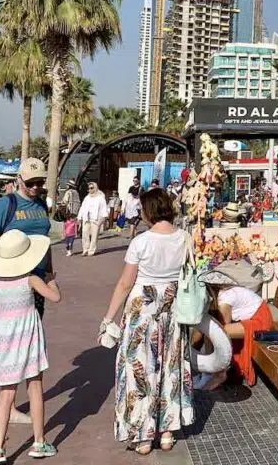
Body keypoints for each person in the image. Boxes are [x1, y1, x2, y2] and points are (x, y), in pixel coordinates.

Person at [101, 188, 192, 455]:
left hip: (143, 311)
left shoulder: (141, 242)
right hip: (172, 310)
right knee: (170, 367)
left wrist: (108, 318)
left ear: (149, 210)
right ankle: (166, 431)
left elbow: (125, 283)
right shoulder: (185, 238)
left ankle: (142, 436)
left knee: (139, 369)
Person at [0, 158, 53, 444]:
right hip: (8, 287)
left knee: (23, 350)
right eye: (30, 183)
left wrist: (50, 275)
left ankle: (12, 407)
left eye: (40, 182)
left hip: (33, 287)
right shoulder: (4, 206)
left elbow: (44, 242)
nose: (35, 187)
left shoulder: (41, 206)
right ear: (19, 179)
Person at [0, 229, 61, 463]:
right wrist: (52, 280)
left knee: (6, 393)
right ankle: (39, 441)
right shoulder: (31, 279)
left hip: (4, 338)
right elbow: (55, 297)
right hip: (28, 334)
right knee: (35, 385)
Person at [204, 282, 273, 389]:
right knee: (209, 329)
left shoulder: (224, 299)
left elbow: (222, 330)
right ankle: (209, 367)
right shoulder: (220, 294)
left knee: (215, 332)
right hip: (249, 318)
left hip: (259, 320)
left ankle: (219, 374)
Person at [78, 182, 109, 256]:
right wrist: (79, 217)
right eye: (89, 188)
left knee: (94, 236)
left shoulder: (100, 198)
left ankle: (91, 251)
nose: (90, 190)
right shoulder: (87, 198)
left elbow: (104, 208)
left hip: (95, 219)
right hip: (86, 218)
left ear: (95, 188)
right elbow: (82, 207)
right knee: (84, 234)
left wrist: (103, 218)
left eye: (91, 188)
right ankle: (85, 249)